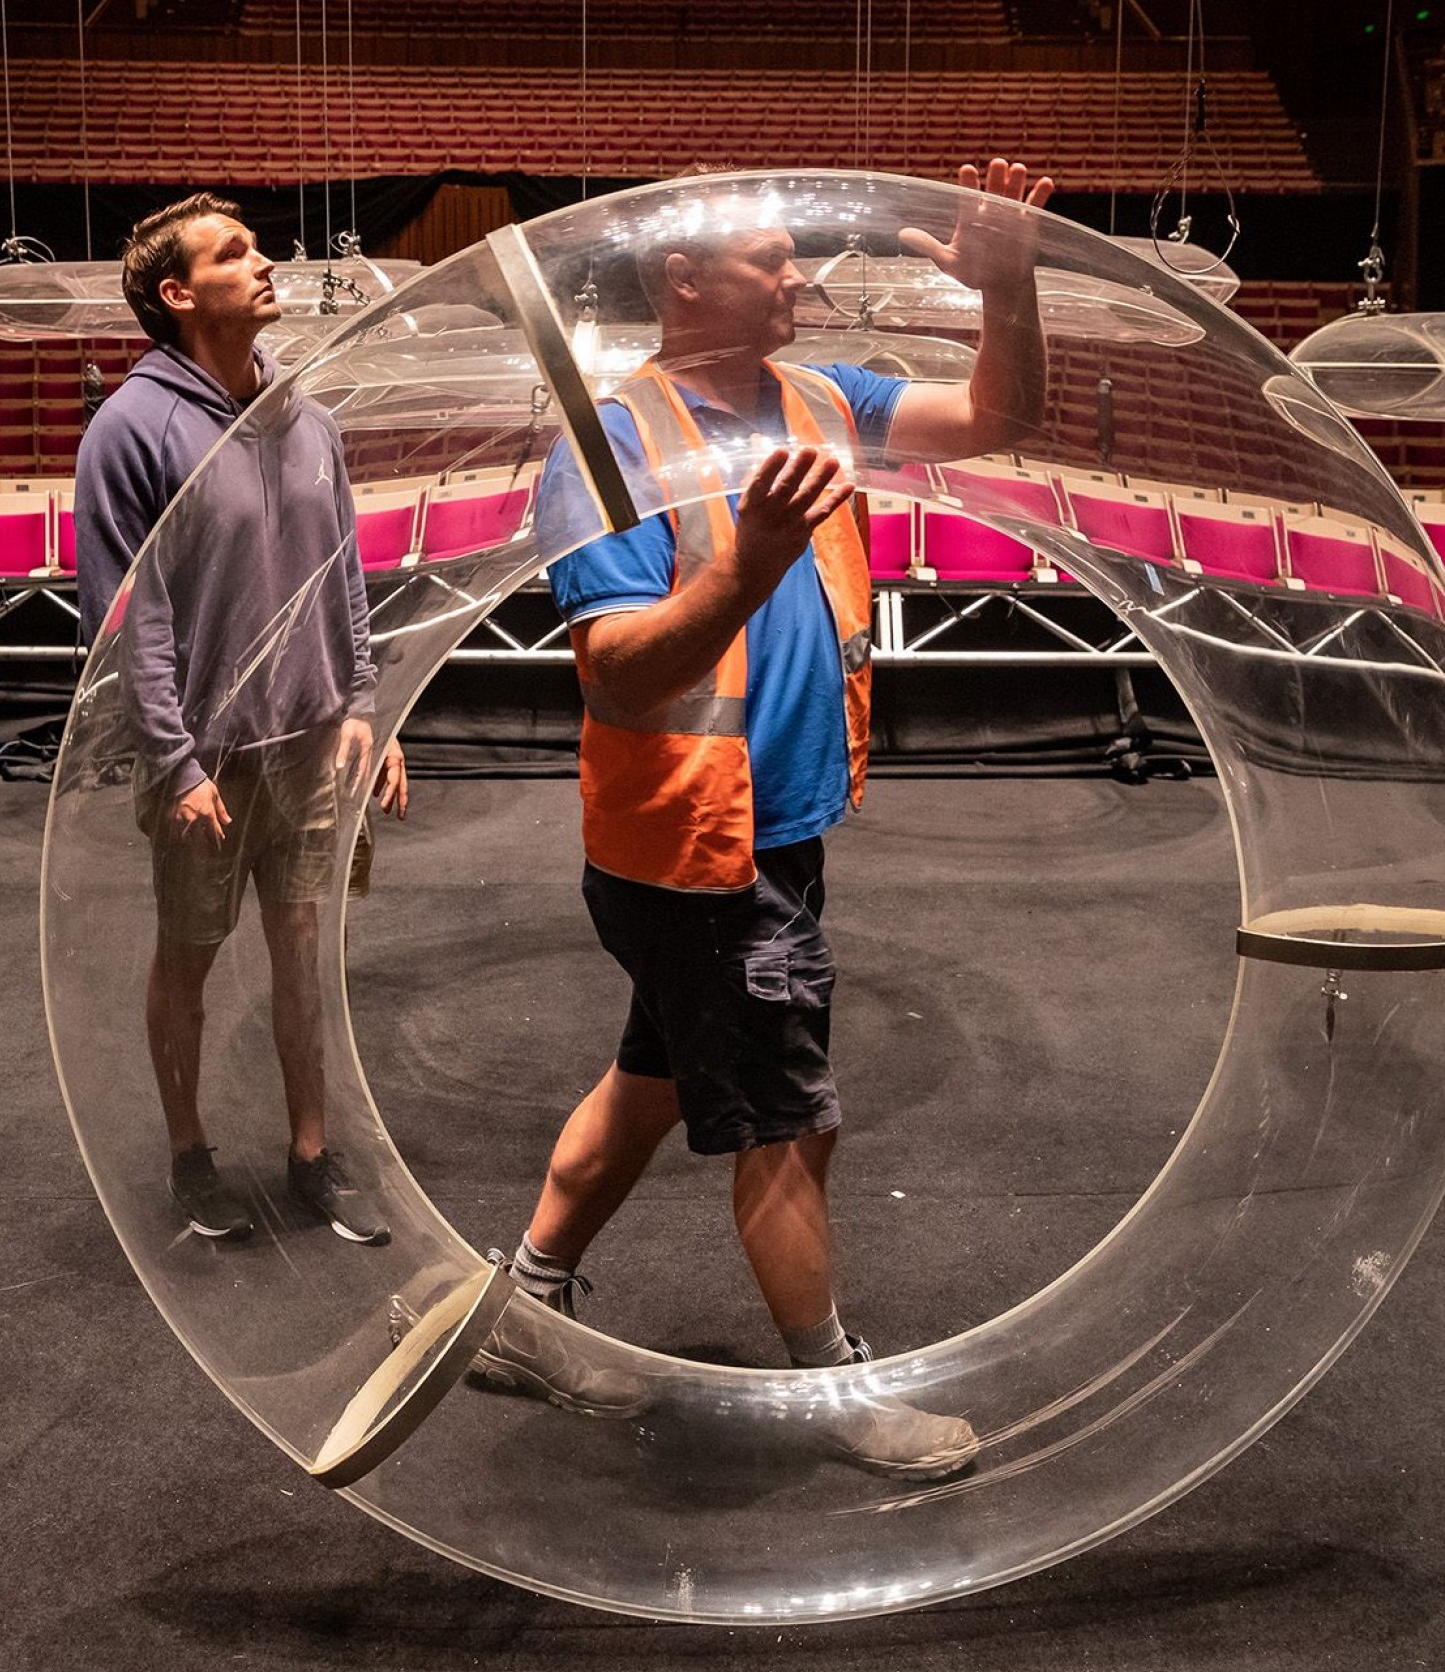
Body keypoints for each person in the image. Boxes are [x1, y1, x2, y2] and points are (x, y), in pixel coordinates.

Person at [458, 159, 1051, 1477]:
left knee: (656, 1076)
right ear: (684, 277)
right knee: (792, 1115)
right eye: (771, 258)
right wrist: (747, 566)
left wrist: (1011, 291)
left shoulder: (822, 400)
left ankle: (526, 1305)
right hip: (699, 853)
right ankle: (830, 1388)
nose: (800, 279)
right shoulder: (610, 443)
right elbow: (615, 668)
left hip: (768, 832)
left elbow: (1002, 414)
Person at [75, 192, 407, 1247]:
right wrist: (173, 762)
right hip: (205, 757)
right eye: (235, 252)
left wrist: (368, 706)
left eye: (257, 245)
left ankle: (312, 1151)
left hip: (311, 738)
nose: (266, 261)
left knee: (300, 942)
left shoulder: (306, 416)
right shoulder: (129, 427)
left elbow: (341, 572)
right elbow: (130, 619)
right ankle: (189, 1152)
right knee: (189, 949)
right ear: (176, 294)